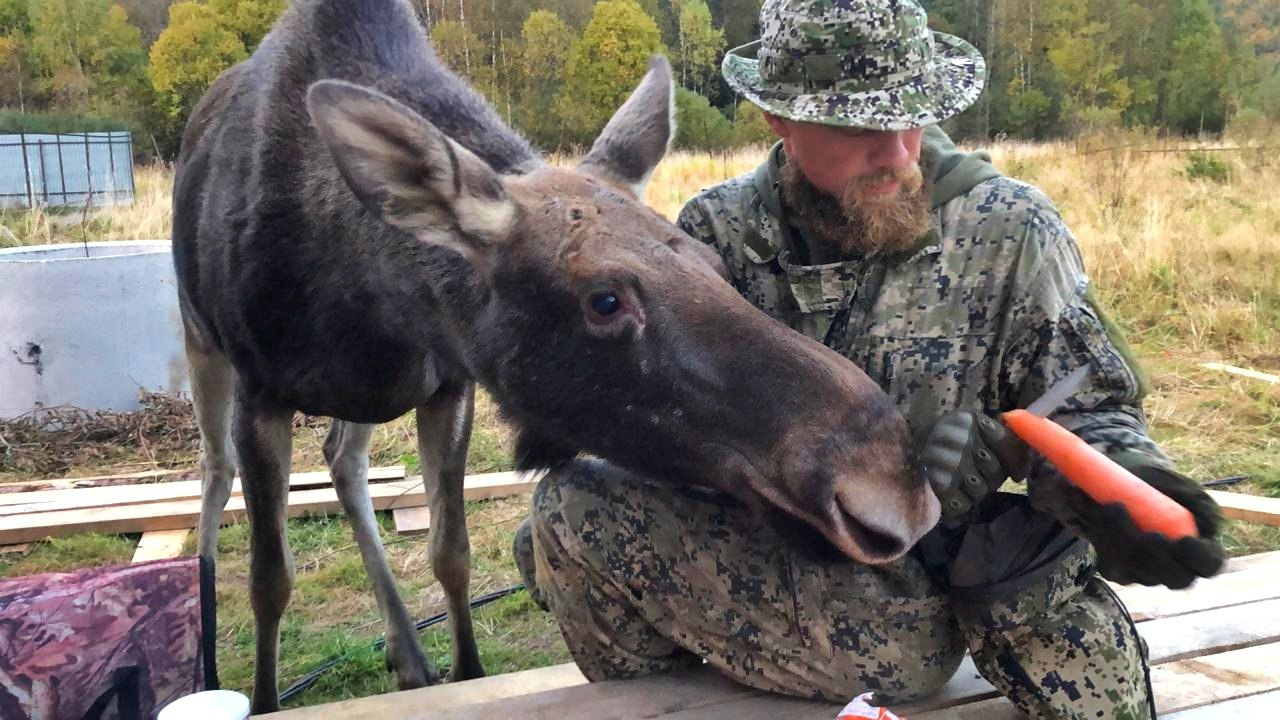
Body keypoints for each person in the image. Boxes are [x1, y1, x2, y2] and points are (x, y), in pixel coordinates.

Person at [513, 1, 1226, 717]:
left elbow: (1086, 407)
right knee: (568, 511)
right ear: (778, 120)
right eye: (857, 127)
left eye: (913, 114)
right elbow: (671, 428)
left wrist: (1123, 489)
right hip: (797, 570)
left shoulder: (1008, 230)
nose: (897, 153)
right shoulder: (718, 236)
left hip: (960, 594)